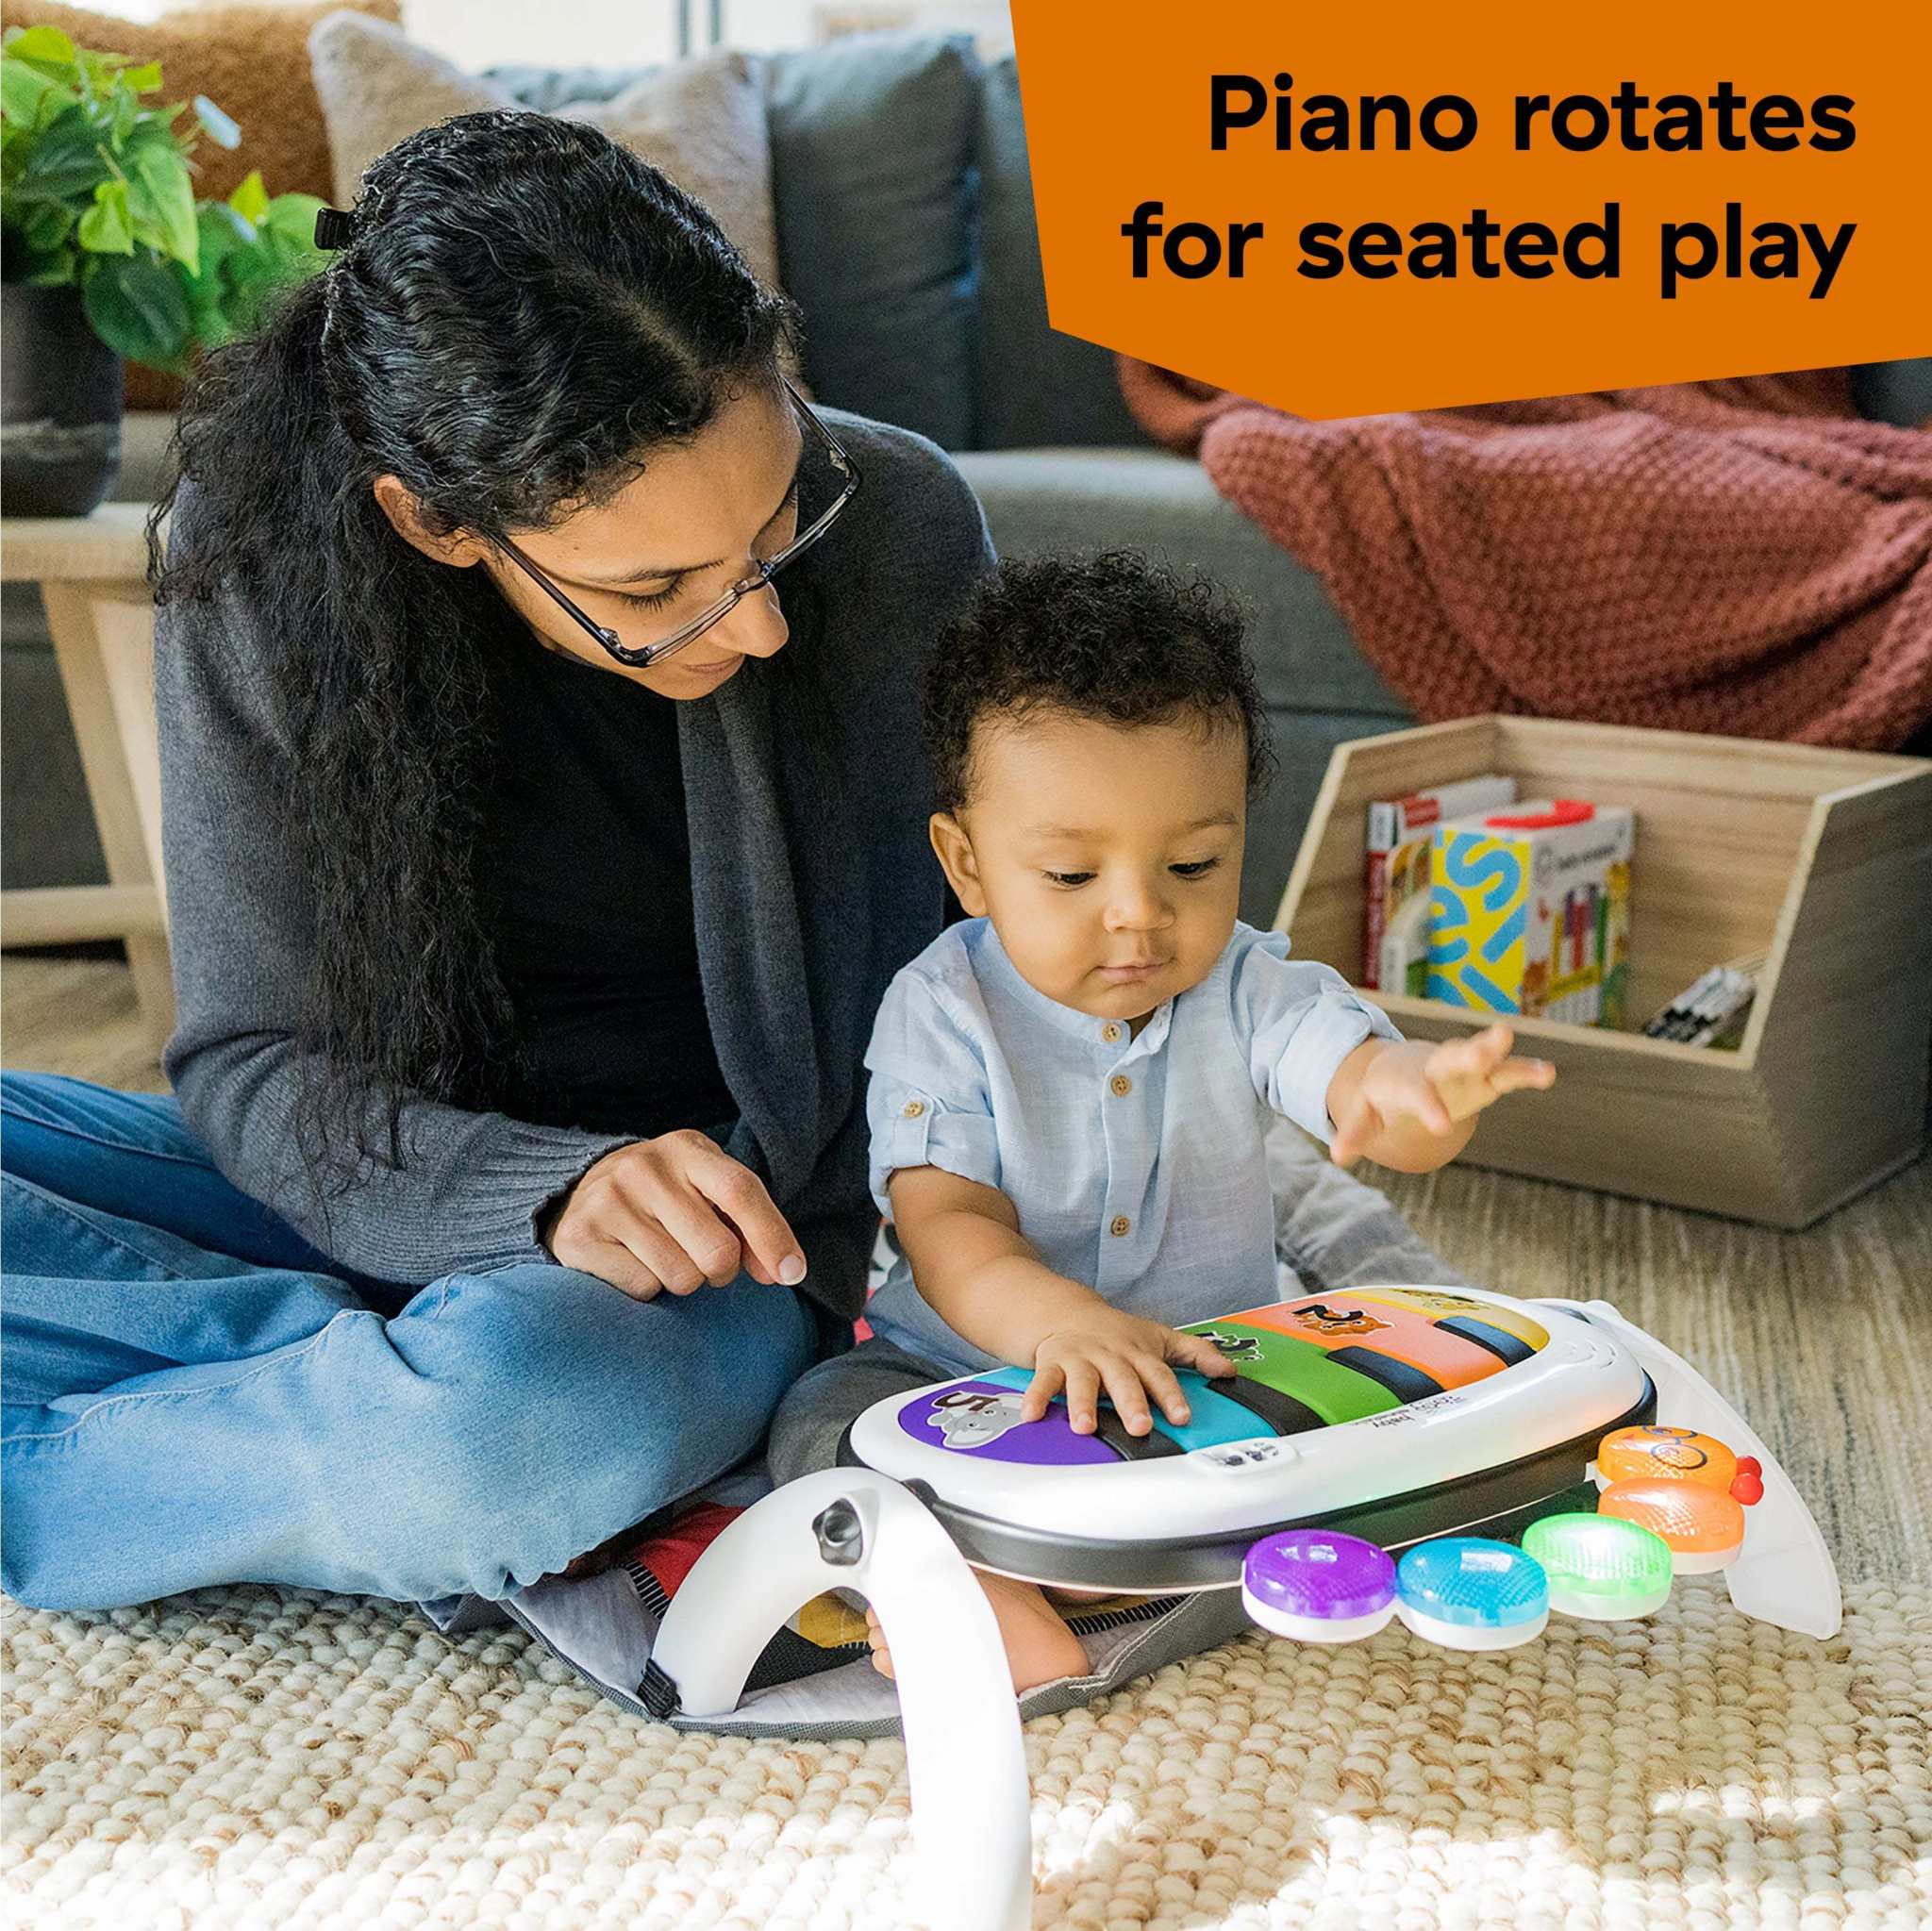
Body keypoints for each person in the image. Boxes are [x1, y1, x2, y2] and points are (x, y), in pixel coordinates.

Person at [0, 111, 997, 1612]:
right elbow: (257, 1067)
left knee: (490, 1439)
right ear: (435, 520)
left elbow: (1010, 990)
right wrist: (544, 1191)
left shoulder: (908, 526)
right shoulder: (267, 560)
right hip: (378, 1176)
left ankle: (326, 1393)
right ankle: (339, 1358)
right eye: (655, 588)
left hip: (733, 1252)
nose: (759, 626)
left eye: (779, 524)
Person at [767, 552, 1556, 1690]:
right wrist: (1058, 1324)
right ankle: (962, 1580)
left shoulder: (1248, 983)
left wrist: (1411, 1095)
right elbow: (944, 1224)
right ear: (968, 863)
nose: (1139, 917)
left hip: (1222, 1374)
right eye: (1071, 874)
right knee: (820, 1427)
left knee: (1403, 1411)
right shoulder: (939, 1009)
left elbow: (1355, 1088)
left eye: (1193, 862)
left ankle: (1131, 1552)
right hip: (969, 1379)